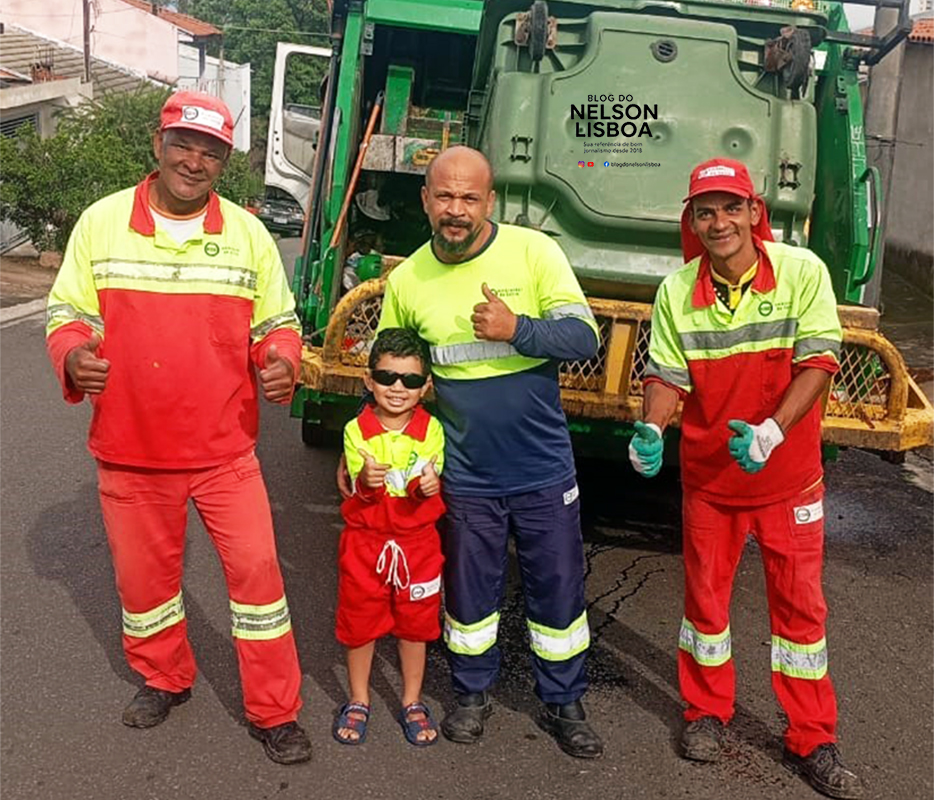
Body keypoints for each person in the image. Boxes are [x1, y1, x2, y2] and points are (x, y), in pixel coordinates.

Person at [45, 91, 311, 765]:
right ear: (158, 145)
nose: (195, 161)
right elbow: (67, 313)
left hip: (225, 452)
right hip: (130, 452)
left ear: (226, 161)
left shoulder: (249, 235)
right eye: (183, 144)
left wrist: (281, 361)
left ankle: (275, 711)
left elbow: (276, 324)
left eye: (211, 151)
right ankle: (164, 678)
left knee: (258, 583)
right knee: (144, 587)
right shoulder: (102, 223)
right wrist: (74, 356)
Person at [341, 145, 605, 758]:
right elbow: (390, 384)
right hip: (464, 473)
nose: (456, 210)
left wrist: (520, 329)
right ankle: (470, 694)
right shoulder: (407, 281)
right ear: (425, 201)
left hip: (542, 466)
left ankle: (564, 702)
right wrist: (358, 456)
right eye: (444, 197)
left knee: (559, 592)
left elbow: (582, 335)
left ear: (490, 201)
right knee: (469, 595)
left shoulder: (533, 252)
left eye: (469, 198)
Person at [630, 157, 861, 799]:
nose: (720, 221)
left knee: (800, 616)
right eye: (706, 211)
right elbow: (667, 377)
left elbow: (819, 359)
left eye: (732, 207)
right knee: (705, 608)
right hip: (710, 482)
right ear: (692, 221)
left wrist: (773, 430)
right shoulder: (677, 291)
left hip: (789, 479)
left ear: (755, 212)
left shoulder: (801, 271)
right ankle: (706, 714)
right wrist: (652, 428)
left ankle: (812, 738)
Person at [333, 328, 446, 747]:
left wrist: (427, 487)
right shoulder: (355, 430)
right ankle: (359, 698)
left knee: (416, 625)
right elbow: (360, 492)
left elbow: (424, 482)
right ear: (368, 380)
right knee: (359, 623)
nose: (398, 389)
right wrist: (366, 480)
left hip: (418, 546)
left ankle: (412, 700)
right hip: (366, 545)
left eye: (412, 381)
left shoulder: (433, 431)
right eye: (387, 377)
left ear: (426, 387)